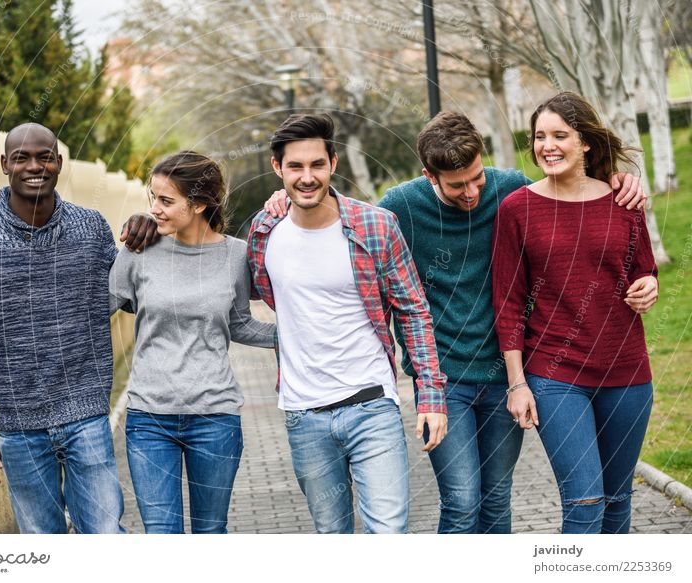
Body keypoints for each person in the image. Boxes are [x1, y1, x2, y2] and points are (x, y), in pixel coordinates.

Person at [265, 112, 647, 534]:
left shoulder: (510, 190)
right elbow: (348, 228)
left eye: (476, 179)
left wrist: (617, 180)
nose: (471, 193)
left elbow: (569, 191)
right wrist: (281, 201)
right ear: (429, 175)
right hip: (446, 378)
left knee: (497, 498)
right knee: (463, 500)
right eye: (456, 185)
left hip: (505, 373)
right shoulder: (401, 207)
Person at [0, 122, 158, 534]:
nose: (34, 166)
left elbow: (131, 295)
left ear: (59, 162)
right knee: (43, 545)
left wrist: (145, 234)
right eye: (21, 157)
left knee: (106, 535)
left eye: (44, 156)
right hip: (17, 423)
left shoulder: (90, 228)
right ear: (5, 164)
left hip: (86, 413)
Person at [248, 113, 447, 534]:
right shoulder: (265, 230)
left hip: (372, 404)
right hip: (304, 414)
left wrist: (430, 395)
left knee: (387, 534)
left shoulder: (376, 226)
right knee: (332, 536)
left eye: (317, 165)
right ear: (277, 168)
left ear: (333, 163)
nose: (307, 177)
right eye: (296, 167)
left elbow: (413, 311)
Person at [492, 91, 659, 534]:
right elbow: (507, 303)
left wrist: (650, 286)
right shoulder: (517, 209)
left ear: (585, 141)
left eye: (559, 135)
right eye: (539, 136)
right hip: (555, 375)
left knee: (618, 501)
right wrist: (516, 384)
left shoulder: (623, 201)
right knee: (585, 501)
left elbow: (644, 269)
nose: (547, 145)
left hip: (626, 372)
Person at [109, 151, 276, 534]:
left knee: (209, 532)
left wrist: (294, 337)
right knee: (161, 534)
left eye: (166, 201)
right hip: (149, 418)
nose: (155, 209)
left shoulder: (235, 255)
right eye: (152, 198)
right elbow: (95, 309)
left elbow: (239, 324)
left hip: (215, 418)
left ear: (199, 203)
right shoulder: (139, 250)